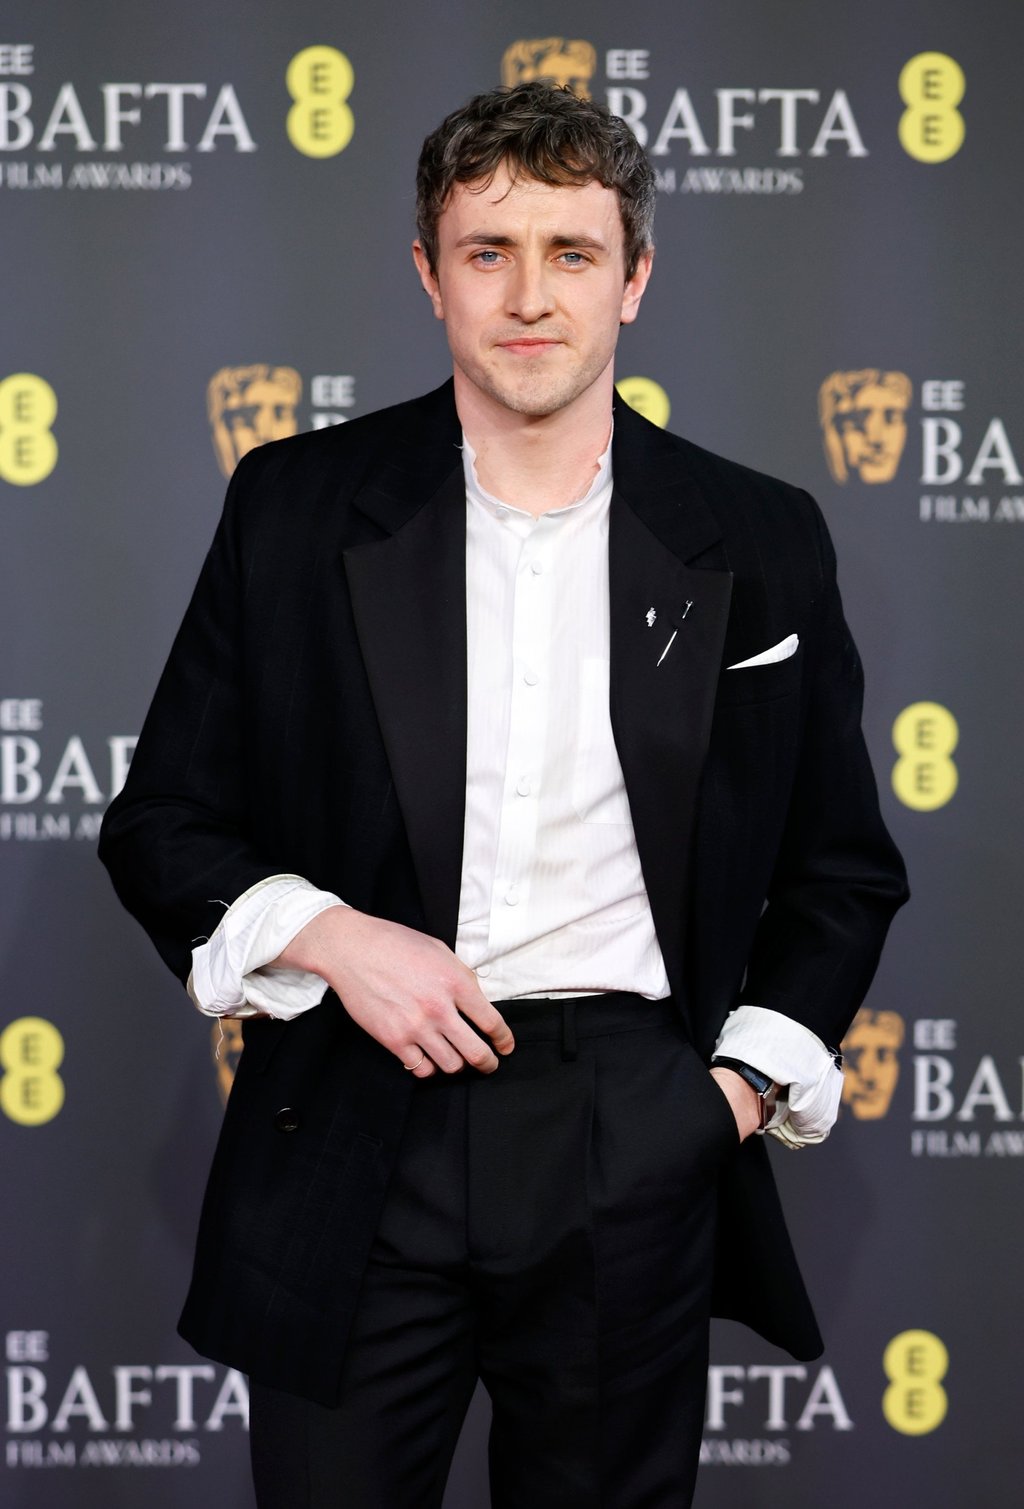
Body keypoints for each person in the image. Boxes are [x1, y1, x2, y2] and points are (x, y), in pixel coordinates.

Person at [99, 82, 909, 1508]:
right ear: (428, 273)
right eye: (488, 252)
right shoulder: (294, 505)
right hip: (353, 1123)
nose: (531, 297)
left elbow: (840, 868)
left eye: (572, 253)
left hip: (633, 1134)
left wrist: (719, 1099)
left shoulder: (763, 534)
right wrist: (340, 938)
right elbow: (162, 821)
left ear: (635, 278)